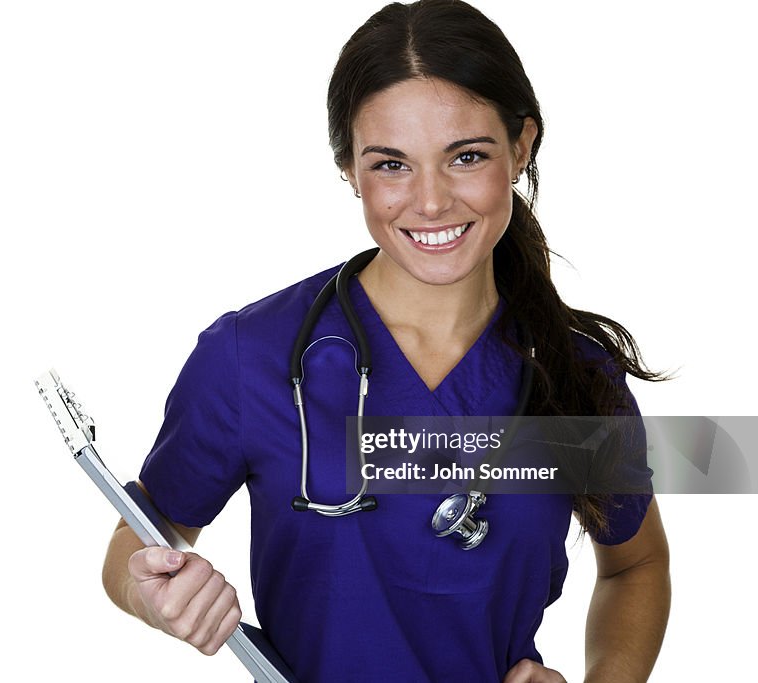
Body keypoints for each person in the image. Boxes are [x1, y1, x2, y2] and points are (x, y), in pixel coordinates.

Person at [101, 1, 671, 681]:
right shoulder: (250, 358)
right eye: (391, 164)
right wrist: (152, 592)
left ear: (521, 146)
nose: (429, 202)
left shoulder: (574, 373)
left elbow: (636, 564)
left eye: (466, 156)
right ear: (348, 167)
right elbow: (135, 543)